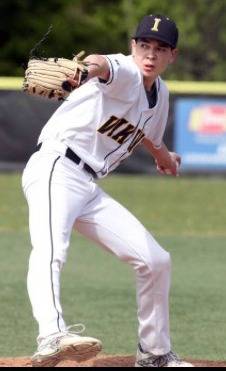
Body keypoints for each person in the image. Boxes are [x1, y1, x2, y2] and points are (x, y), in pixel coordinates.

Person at [22, 14, 194, 368]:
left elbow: (149, 135)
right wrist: (84, 71)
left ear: (172, 55)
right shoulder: (125, 69)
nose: (150, 54)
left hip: (87, 185)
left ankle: (154, 354)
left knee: (155, 261)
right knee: (52, 248)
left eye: (160, 48)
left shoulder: (160, 96)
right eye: (144, 45)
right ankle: (51, 335)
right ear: (133, 46)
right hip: (56, 165)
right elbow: (100, 64)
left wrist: (165, 158)